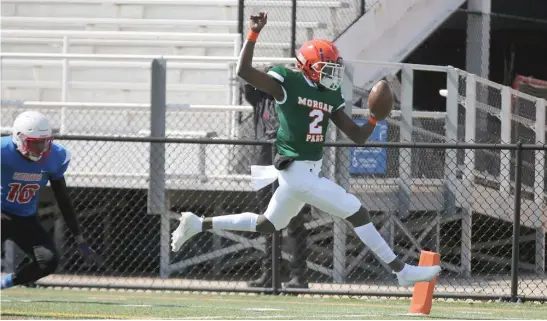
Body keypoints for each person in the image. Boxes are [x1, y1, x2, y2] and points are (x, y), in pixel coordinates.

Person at [172, 12, 441, 287]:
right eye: (328, 68)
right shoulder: (287, 82)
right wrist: (253, 33)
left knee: (267, 224)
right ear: (310, 67)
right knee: (357, 211)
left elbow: (358, 136)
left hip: (304, 175)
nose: (334, 73)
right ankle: (401, 271)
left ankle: (197, 223)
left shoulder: (329, 94)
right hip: (298, 174)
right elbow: (244, 71)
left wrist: (373, 118)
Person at [1, 111, 102, 290]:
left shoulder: (56, 157)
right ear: (18, 138)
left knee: (48, 261)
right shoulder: (3, 151)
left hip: (25, 217)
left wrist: (79, 238)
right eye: (34, 143)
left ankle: (3, 284)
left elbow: (62, 197)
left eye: (44, 142)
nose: (40, 148)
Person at [243, 76, 310, 289]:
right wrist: (267, 73)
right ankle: (270, 274)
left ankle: (299, 276)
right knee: (267, 220)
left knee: (295, 222)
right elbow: (246, 79)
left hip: (290, 162)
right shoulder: (259, 97)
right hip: (264, 161)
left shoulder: (295, 99)